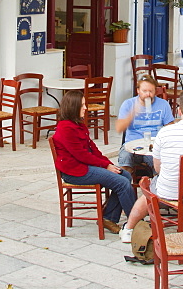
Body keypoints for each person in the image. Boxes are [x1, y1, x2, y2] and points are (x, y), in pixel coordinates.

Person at [119, 88, 183, 243]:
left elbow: (158, 168)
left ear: (179, 111)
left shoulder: (165, 133)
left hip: (171, 192)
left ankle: (128, 229)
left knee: (149, 186)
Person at [52, 90, 136, 235]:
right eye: (82, 105)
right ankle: (136, 222)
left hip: (85, 166)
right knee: (121, 183)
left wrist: (109, 164)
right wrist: (105, 166)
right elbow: (82, 155)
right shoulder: (66, 128)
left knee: (125, 176)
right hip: (75, 171)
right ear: (73, 107)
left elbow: (93, 149)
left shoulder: (78, 124)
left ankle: (108, 218)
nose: (86, 108)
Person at [115, 75, 175, 170]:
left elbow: (170, 127)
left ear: (155, 91)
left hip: (154, 145)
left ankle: (154, 183)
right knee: (125, 159)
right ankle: (126, 183)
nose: (148, 94)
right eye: (144, 91)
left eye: (151, 91)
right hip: (132, 144)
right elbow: (119, 128)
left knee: (159, 165)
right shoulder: (128, 104)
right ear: (138, 90)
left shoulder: (163, 104)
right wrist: (132, 114)